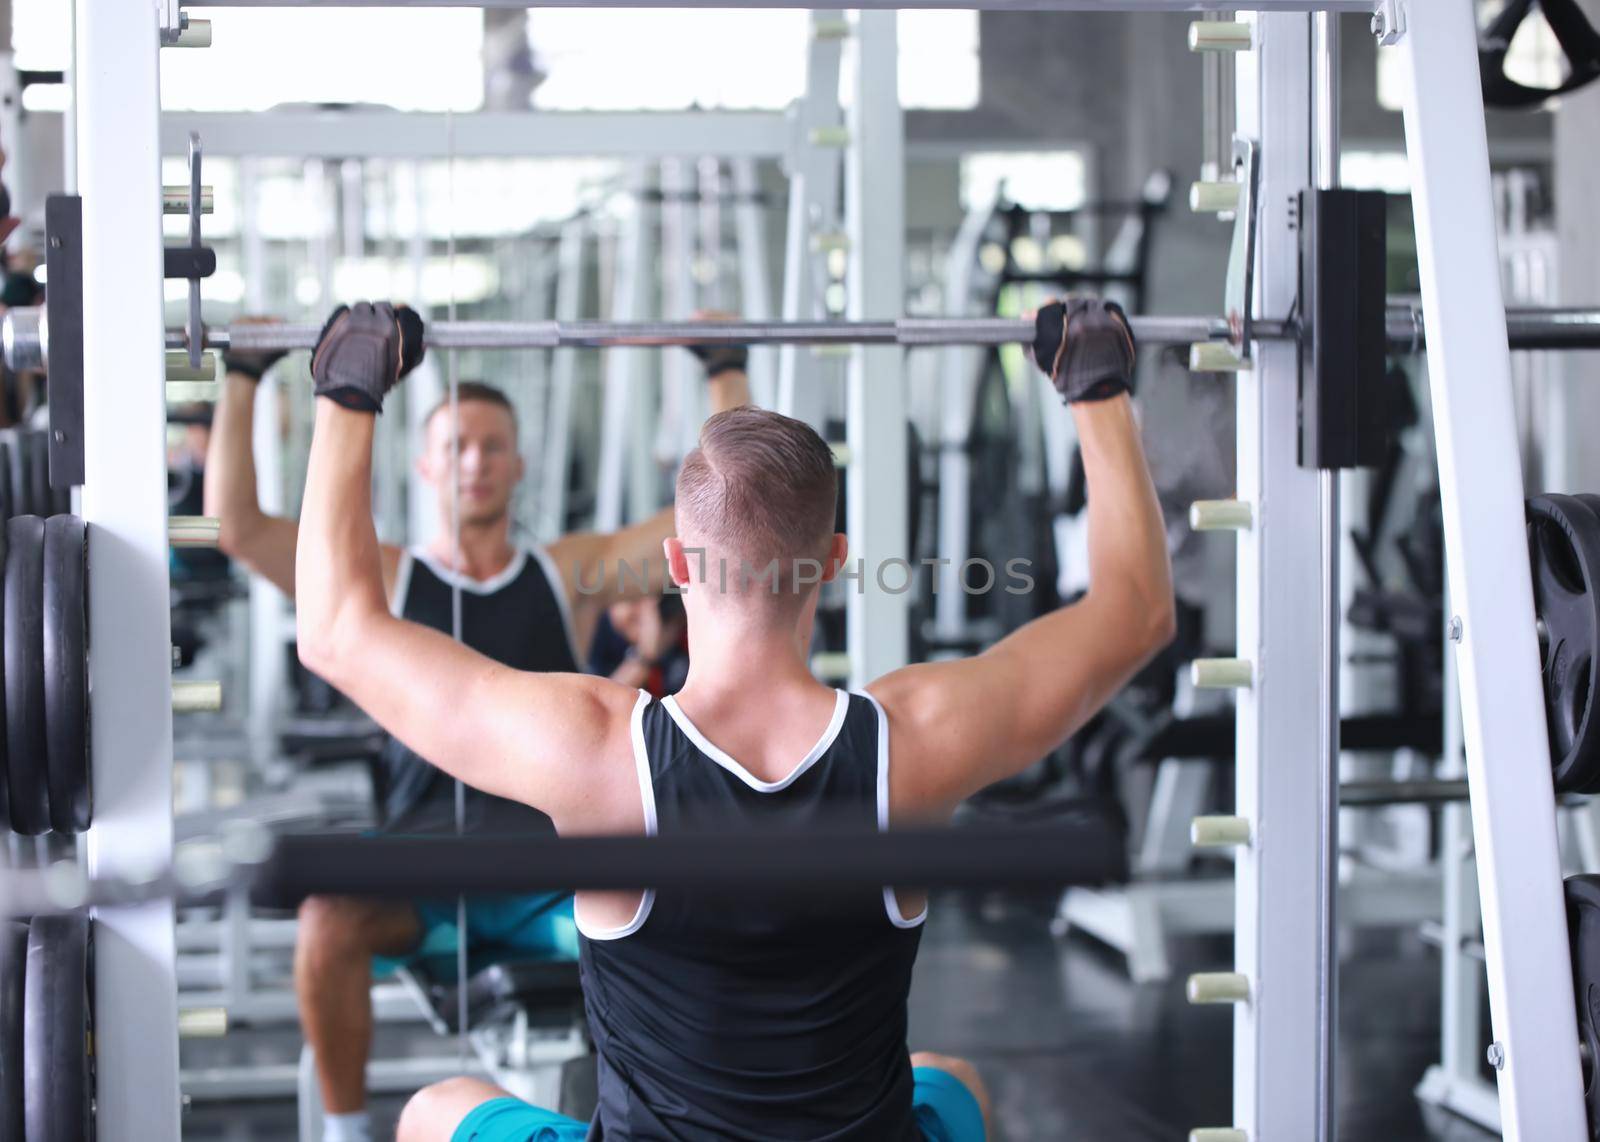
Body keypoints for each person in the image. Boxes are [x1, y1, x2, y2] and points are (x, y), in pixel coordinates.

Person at [292, 297, 1173, 1142]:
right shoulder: (915, 739)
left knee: (434, 1109)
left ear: (674, 563)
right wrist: (1095, 389)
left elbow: (336, 633)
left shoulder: (594, 750)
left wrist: (347, 393)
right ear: (833, 562)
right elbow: (1135, 612)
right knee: (950, 1082)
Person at [205, 311, 749, 1142]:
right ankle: (348, 1134)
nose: (475, 462)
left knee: (686, 917)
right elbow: (238, 528)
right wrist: (243, 378)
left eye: (493, 447)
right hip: (424, 875)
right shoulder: (384, 577)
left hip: (551, 877)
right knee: (327, 920)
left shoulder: (567, 574)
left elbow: (727, 525)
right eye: (456, 445)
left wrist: (723, 367)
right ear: (425, 463)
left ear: (520, 465)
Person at [586, 592, 689, 697]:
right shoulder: (606, 635)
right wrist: (644, 654)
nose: (650, 617)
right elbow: (602, 699)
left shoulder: (683, 648)